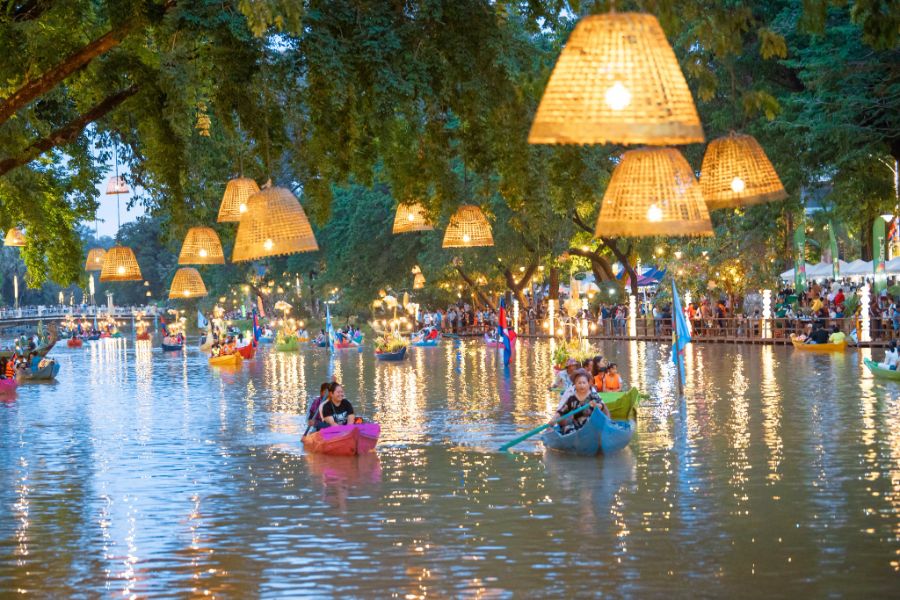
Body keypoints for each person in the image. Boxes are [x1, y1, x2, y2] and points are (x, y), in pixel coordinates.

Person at [548, 369, 610, 434]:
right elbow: (561, 412)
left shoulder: (593, 396)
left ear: (588, 384)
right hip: (577, 427)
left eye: (584, 383)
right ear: (575, 384)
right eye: (579, 383)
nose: (582, 385)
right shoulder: (572, 399)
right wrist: (552, 420)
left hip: (592, 425)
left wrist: (597, 405)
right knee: (567, 429)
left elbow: (602, 406)